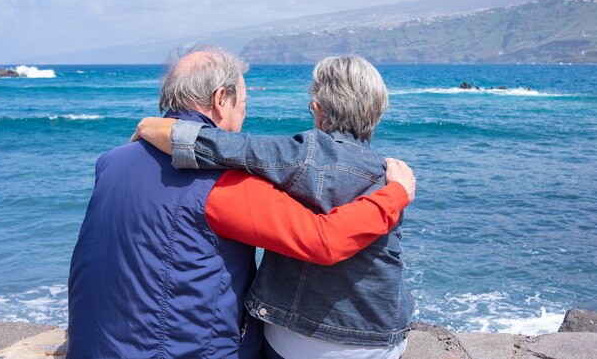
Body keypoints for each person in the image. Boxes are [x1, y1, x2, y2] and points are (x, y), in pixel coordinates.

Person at [68, 47, 416, 359]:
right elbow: (322, 240)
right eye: (244, 105)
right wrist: (396, 193)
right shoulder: (222, 184)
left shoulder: (111, 161)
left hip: (94, 344)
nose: (245, 117)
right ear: (221, 99)